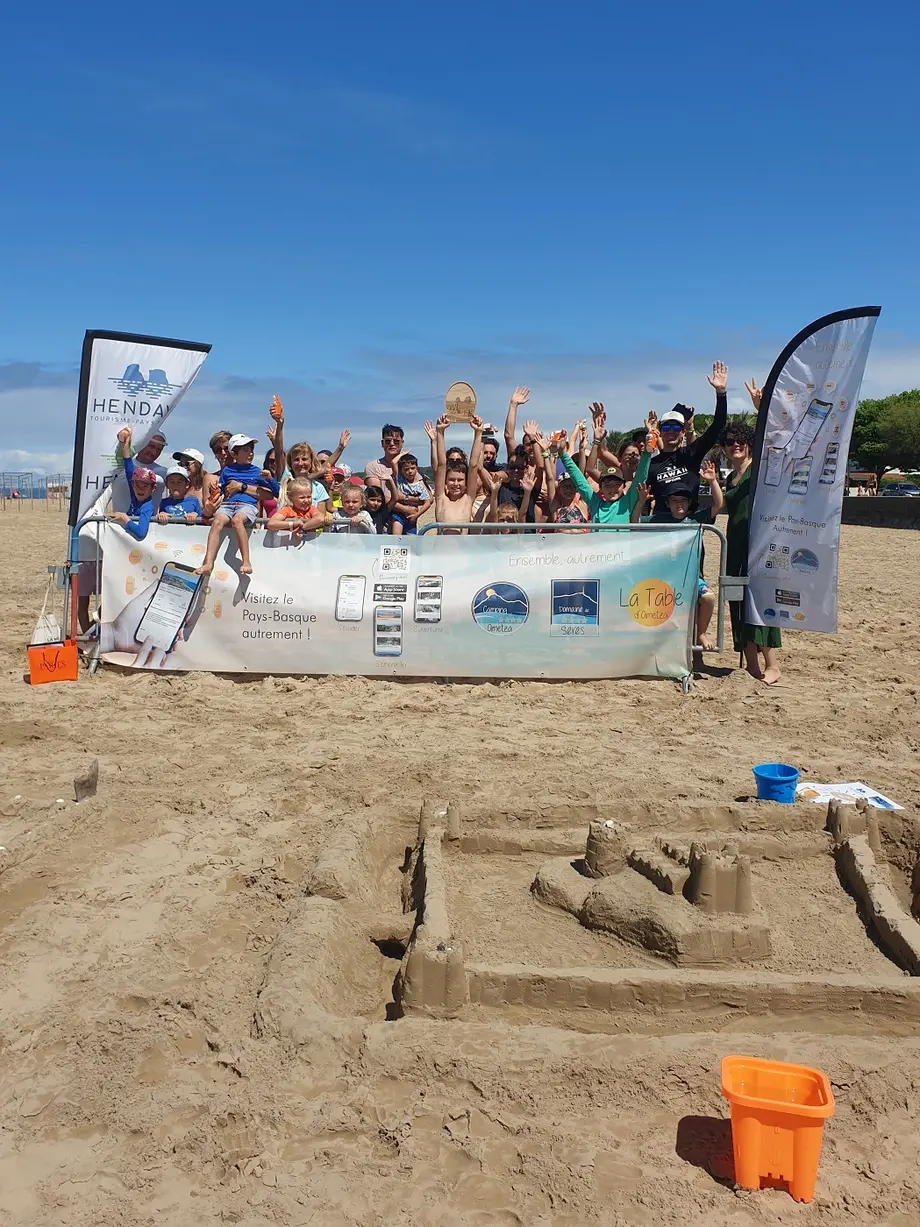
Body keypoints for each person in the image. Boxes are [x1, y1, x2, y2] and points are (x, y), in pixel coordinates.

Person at [632, 461, 724, 653]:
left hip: (691, 578)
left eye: (683, 500)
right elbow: (635, 522)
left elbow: (718, 505)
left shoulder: (696, 519)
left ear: (689, 503)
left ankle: (701, 633)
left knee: (708, 597)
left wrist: (713, 481)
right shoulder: (659, 519)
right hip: (664, 578)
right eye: (674, 500)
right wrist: (641, 501)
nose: (679, 504)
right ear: (667, 503)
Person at [721, 404, 783, 685]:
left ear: (749, 444)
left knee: (760, 602)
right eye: (730, 442)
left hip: (758, 544)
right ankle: (752, 665)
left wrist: (762, 411)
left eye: (741, 441)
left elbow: (773, 444)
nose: (735, 445)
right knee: (738, 602)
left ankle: (773, 665)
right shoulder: (729, 478)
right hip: (735, 545)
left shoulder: (757, 470)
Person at [647, 361, 729, 511]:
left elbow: (718, 425)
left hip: (689, 521)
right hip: (661, 522)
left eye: (676, 427)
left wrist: (721, 393)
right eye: (666, 427)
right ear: (660, 432)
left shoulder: (692, 454)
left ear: (683, 431)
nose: (671, 431)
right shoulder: (651, 464)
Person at [545, 413, 654, 524]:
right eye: (607, 485)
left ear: (623, 486)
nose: (612, 489)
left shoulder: (628, 502)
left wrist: (647, 453)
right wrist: (562, 453)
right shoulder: (595, 503)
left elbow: (641, 476)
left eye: (617, 485)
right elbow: (579, 480)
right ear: (601, 488)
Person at [196, 434, 279, 576]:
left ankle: (246, 561)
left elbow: (275, 492)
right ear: (234, 454)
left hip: (246, 505)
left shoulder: (257, 471)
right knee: (217, 521)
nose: (250, 453)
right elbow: (221, 489)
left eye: (251, 450)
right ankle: (208, 563)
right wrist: (215, 490)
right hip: (228, 505)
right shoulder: (227, 471)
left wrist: (270, 479)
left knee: (237, 520)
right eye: (246, 450)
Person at [427, 414, 486, 533]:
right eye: (451, 480)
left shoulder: (468, 499)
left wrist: (478, 433)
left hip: (462, 544)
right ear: (445, 481)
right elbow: (441, 464)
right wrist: (440, 432)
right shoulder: (441, 498)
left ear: (466, 482)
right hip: (442, 544)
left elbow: (473, 465)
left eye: (460, 480)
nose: (455, 484)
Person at [110, 428, 159, 541]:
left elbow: (141, 533)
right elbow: (129, 468)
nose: (140, 489)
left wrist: (125, 519)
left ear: (153, 488)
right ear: (133, 485)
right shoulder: (135, 494)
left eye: (145, 486)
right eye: (137, 485)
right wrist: (125, 445)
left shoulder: (147, 507)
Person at [265, 478, 331, 539]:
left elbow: (320, 518)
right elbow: (271, 523)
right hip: (288, 544)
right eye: (302, 497)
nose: (306, 500)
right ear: (290, 497)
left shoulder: (311, 509)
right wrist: (292, 524)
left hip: (310, 545)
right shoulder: (287, 510)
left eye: (309, 497)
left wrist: (302, 528)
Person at [387, 453, 432, 535]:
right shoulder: (400, 479)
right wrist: (402, 454)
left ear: (417, 469)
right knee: (396, 538)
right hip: (398, 514)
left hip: (412, 516)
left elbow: (427, 502)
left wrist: (417, 515)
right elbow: (393, 462)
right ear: (401, 470)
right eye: (406, 469)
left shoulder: (419, 485)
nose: (410, 471)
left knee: (410, 539)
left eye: (412, 468)